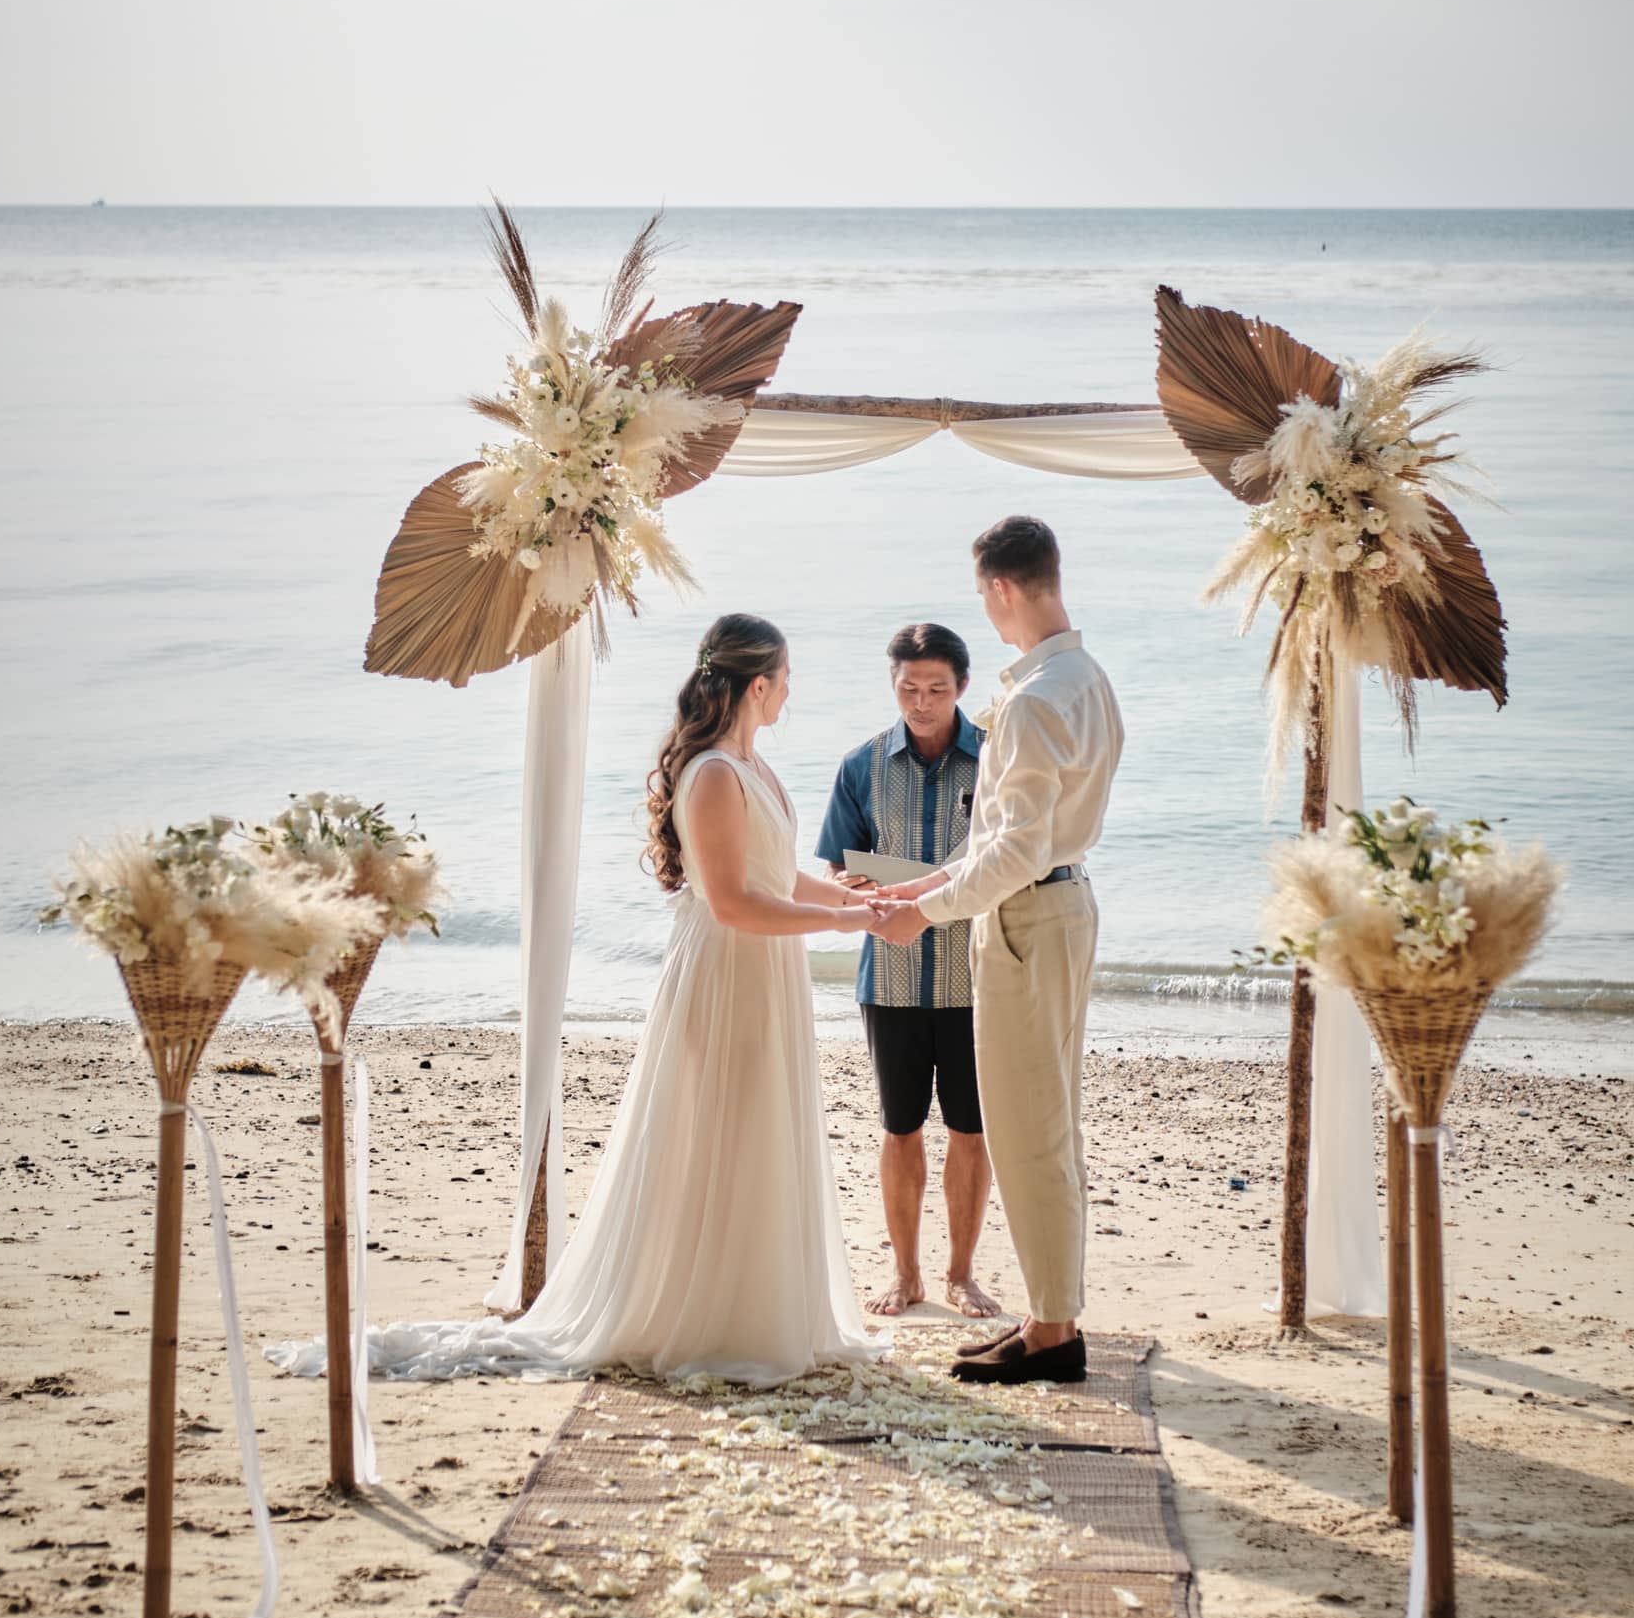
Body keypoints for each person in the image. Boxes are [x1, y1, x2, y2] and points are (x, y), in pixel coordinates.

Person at [287, 616, 892, 1388]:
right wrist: (845, 921)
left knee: (761, 1123)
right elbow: (736, 902)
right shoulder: (709, 773)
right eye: (785, 679)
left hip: (768, 972)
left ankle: (759, 1303)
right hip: (725, 973)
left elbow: (775, 876)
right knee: (720, 1127)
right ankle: (704, 1311)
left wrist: (855, 893)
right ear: (759, 683)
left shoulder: (755, 768)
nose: (789, 695)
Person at [876, 518, 1123, 1387]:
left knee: (1027, 1132)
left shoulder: (1029, 700)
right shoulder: (1085, 678)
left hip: (1027, 918)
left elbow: (1013, 851)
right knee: (1048, 1123)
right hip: (1066, 903)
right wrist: (913, 890)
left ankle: (1054, 1332)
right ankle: (1047, 1314)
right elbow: (1021, 837)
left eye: (982, 593)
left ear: (1000, 589)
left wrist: (927, 912)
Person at [816, 622, 997, 1321]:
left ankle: (959, 1274)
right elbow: (840, 869)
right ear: (892, 684)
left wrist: (915, 886)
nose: (921, 703)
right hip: (888, 980)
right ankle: (906, 1273)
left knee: (970, 1129)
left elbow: (1006, 867)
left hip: (977, 979)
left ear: (962, 687)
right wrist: (927, 886)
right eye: (908, 689)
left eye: (936, 689)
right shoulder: (860, 765)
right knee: (898, 1128)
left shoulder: (997, 762)